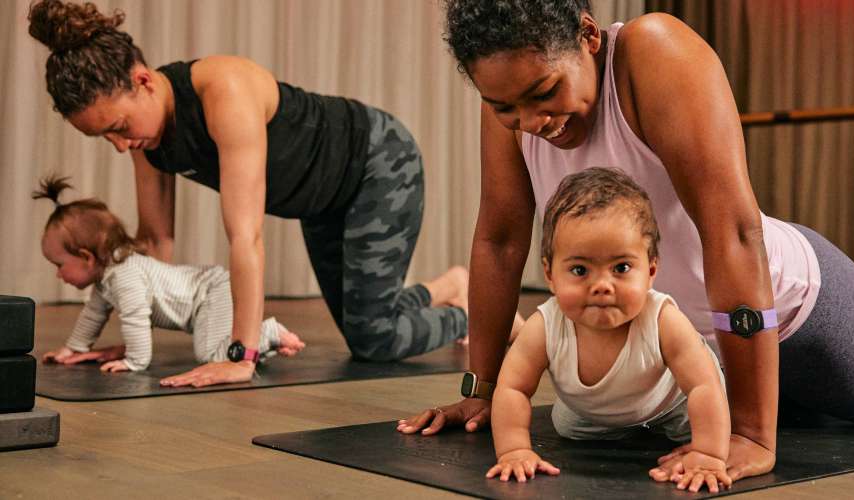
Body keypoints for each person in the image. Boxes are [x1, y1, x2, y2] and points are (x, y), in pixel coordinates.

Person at [400, 0, 854, 484]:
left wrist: (752, 433)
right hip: (696, 355)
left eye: (544, 93)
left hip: (793, 315)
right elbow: (501, 239)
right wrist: (478, 391)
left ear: (587, 35)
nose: (530, 122)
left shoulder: (654, 52)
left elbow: (733, 231)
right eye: (504, 106)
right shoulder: (510, 102)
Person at [28, 0, 476, 387]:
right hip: (318, 200)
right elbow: (153, 246)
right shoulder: (146, 141)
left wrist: (240, 356)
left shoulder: (223, 89)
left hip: (376, 163)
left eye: (120, 128)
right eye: (106, 138)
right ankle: (452, 286)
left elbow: (245, 235)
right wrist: (131, 343)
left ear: (143, 81)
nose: (121, 145)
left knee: (374, 341)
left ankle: (477, 317)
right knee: (366, 324)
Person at [487, 168, 730, 493]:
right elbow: (512, 389)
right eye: (579, 270)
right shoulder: (545, 326)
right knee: (567, 426)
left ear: (651, 270)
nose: (602, 285)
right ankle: (607, 417)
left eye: (621, 268)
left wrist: (709, 454)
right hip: (591, 414)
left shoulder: (662, 319)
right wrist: (514, 449)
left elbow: (702, 386)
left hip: (673, 402)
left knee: (708, 409)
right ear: (549, 274)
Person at [35, 176, 306, 372]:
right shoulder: (106, 280)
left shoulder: (124, 277)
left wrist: (135, 361)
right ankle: (265, 341)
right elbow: (92, 315)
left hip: (209, 293)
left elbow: (136, 320)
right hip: (209, 291)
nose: (59, 275)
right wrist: (73, 348)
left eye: (59, 265)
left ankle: (267, 332)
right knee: (217, 347)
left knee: (209, 354)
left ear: (86, 257)